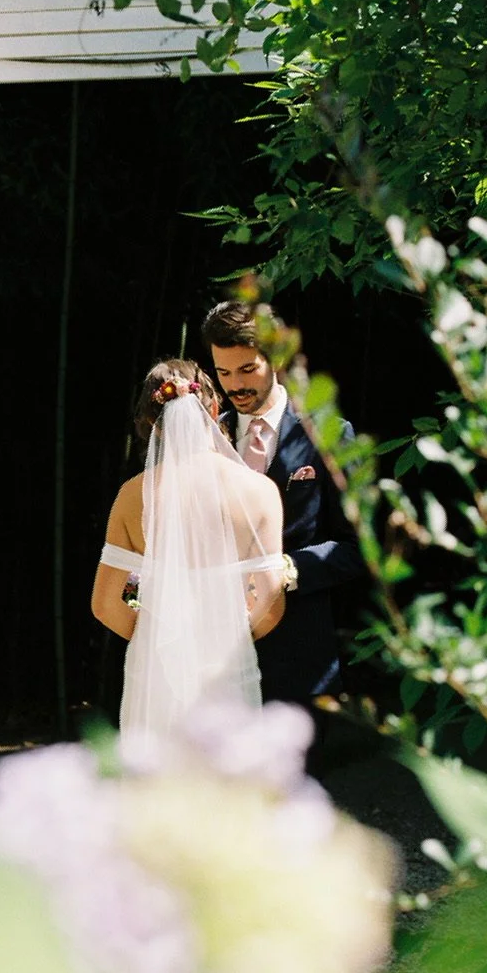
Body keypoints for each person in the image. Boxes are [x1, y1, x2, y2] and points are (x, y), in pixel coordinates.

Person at [91, 360, 287, 738]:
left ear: (153, 424)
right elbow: (271, 601)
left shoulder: (132, 495)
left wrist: (156, 633)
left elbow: (106, 603)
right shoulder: (260, 491)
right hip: (229, 664)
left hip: (155, 670)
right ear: (213, 410)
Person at [199, 301, 368, 706]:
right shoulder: (206, 439)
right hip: (214, 663)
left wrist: (289, 569)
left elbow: (358, 547)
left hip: (299, 661)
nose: (235, 385)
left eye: (247, 369)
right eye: (224, 373)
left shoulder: (326, 434)